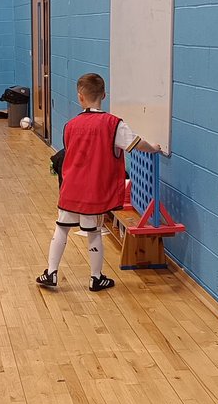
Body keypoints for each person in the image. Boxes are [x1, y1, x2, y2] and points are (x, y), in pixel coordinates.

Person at [36, 72, 162, 293]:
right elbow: (136, 143)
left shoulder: (70, 125)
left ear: (80, 97)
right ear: (104, 94)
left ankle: (51, 272)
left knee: (61, 228)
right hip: (94, 191)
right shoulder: (114, 124)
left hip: (70, 188)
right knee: (93, 232)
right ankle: (95, 278)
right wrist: (154, 148)